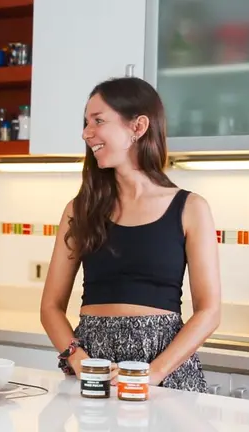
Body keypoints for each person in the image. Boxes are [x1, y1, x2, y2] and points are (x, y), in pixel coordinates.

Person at [40, 77, 221, 392]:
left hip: (164, 370)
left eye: (98, 121)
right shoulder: (79, 209)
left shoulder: (191, 208)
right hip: (94, 368)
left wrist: (154, 372)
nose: (86, 133)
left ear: (138, 127)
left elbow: (209, 311)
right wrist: (78, 359)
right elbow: (50, 307)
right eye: (86, 122)